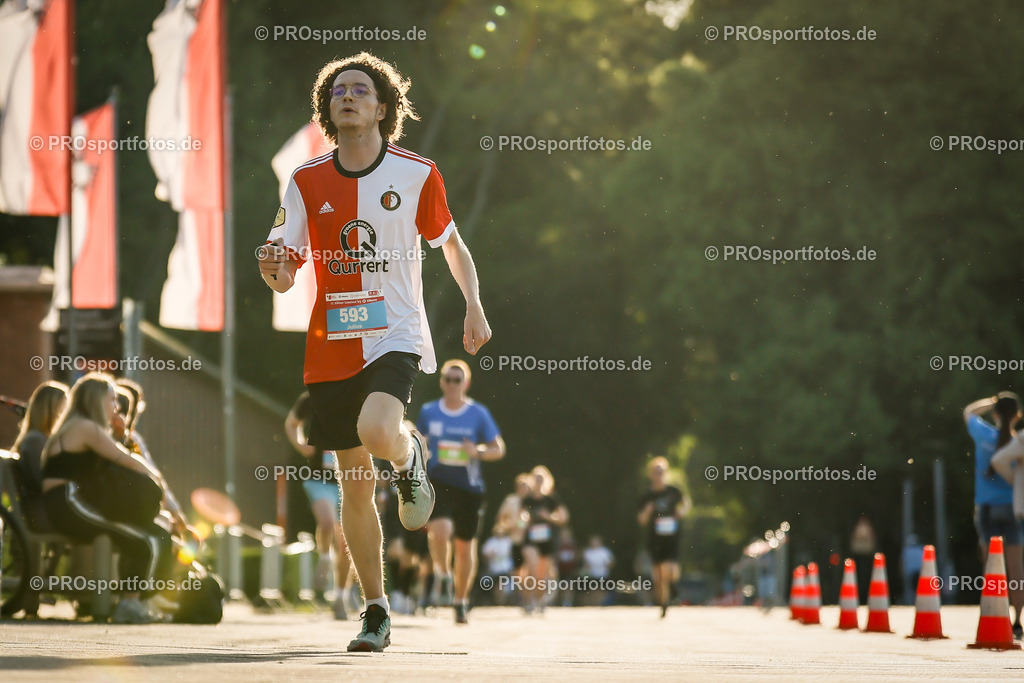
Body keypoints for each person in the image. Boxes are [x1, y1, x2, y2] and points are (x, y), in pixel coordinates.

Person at [257, 52, 492, 652]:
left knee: (379, 428)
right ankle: (374, 608)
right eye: (338, 91)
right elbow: (285, 274)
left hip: (396, 332)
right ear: (328, 109)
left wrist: (474, 305)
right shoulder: (305, 180)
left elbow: (452, 243)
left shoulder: (416, 173)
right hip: (331, 341)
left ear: (382, 108)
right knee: (353, 488)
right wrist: (273, 270)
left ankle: (409, 452)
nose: (349, 96)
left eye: (361, 90)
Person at [40, 373, 174, 624]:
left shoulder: (81, 425)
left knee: (152, 534)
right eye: (112, 399)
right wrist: (156, 480)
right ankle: (129, 604)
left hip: (74, 501)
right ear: (97, 399)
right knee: (141, 540)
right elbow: (123, 459)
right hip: (68, 503)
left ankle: (139, 600)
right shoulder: (85, 427)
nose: (116, 406)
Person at [418, 358, 505, 624]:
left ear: (466, 383)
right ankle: (443, 574)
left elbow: (498, 449)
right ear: (442, 382)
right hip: (438, 481)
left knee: (465, 547)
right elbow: (418, 444)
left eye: (458, 380)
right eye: (448, 379)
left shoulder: (478, 413)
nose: (453, 384)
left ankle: (460, 600)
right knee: (440, 530)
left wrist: (476, 451)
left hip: (469, 486)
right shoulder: (429, 411)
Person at [285, 391, 353, 619]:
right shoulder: (312, 398)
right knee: (327, 523)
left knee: (345, 542)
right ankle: (324, 557)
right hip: (318, 479)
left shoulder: (356, 396)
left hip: (348, 479)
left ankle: (340, 596)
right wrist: (301, 444)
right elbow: (292, 423)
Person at [965, 392, 1024, 639]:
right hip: (1013, 509)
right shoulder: (1019, 443)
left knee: (992, 568)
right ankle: (1017, 622)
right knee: (1016, 569)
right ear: (1017, 416)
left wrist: (989, 402)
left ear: (997, 414)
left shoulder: (983, 435)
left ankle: (992, 615)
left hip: (986, 509)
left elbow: (968, 412)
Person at [10, 381, 69, 530]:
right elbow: (43, 481)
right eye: (64, 408)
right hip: (45, 514)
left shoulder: (38, 439)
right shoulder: (36, 440)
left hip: (46, 510)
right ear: (52, 408)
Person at [637, 456, 690, 618]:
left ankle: (672, 586)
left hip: (671, 538)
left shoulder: (674, 492)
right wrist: (647, 511)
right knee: (658, 576)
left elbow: (686, 503)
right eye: (656, 471)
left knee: (670, 570)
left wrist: (681, 511)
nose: (659, 474)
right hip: (655, 540)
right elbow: (641, 520)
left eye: (661, 471)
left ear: (666, 473)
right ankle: (664, 604)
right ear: (651, 474)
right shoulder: (647, 497)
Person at [521, 466, 569, 614]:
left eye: (541, 478)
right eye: (536, 478)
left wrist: (548, 517)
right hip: (530, 540)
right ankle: (527, 600)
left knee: (542, 574)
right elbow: (519, 519)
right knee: (532, 568)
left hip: (547, 541)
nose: (538, 481)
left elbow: (564, 518)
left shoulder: (552, 500)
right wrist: (523, 521)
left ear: (546, 481)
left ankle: (539, 600)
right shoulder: (527, 500)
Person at [494, 473, 533, 591]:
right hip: (514, 539)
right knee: (518, 569)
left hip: (530, 539)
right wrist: (507, 527)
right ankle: (523, 593)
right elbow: (501, 517)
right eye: (521, 486)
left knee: (531, 566)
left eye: (526, 486)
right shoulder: (511, 501)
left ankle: (531, 593)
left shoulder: (532, 501)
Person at [581, 535, 615, 606]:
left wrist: (606, 567)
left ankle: (600, 604)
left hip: (603, 575)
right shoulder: (588, 552)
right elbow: (586, 564)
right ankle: (594, 604)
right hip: (592, 575)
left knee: (601, 591)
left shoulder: (605, 551)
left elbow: (610, 563)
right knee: (593, 591)